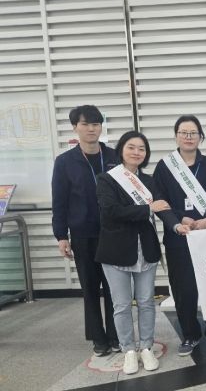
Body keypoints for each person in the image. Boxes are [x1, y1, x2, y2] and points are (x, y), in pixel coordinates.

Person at [95, 131, 190, 375]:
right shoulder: (107, 179)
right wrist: (147, 208)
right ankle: (128, 350)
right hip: (115, 251)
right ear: (121, 150)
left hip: (145, 250)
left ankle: (146, 347)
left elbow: (163, 207)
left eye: (141, 148)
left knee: (147, 302)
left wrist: (176, 225)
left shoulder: (148, 180)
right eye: (131, 147)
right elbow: (111, 211)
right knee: (121, 304)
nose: (136, 152)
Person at [153, 115, 206, 357]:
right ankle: (190, 335)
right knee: (184, 290)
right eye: (183, 132)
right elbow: (160, 202)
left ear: (200, 137)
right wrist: (180, 219)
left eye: (193, 133)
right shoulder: (165, 166)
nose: (188, 137)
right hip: (179, 238)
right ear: (176, 136)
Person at [51, 105, 119, 357]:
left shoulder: (114, 156)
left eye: (96, 124)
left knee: (115, 288)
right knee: (90, 289)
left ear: (101, 127)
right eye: (85, 124)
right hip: (83, 235)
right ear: (75, 127)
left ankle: (116, 335)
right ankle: (98, 338)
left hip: (113, 233)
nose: (91, 129)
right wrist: (61, 236)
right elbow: (59, 201)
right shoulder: (65, 162)